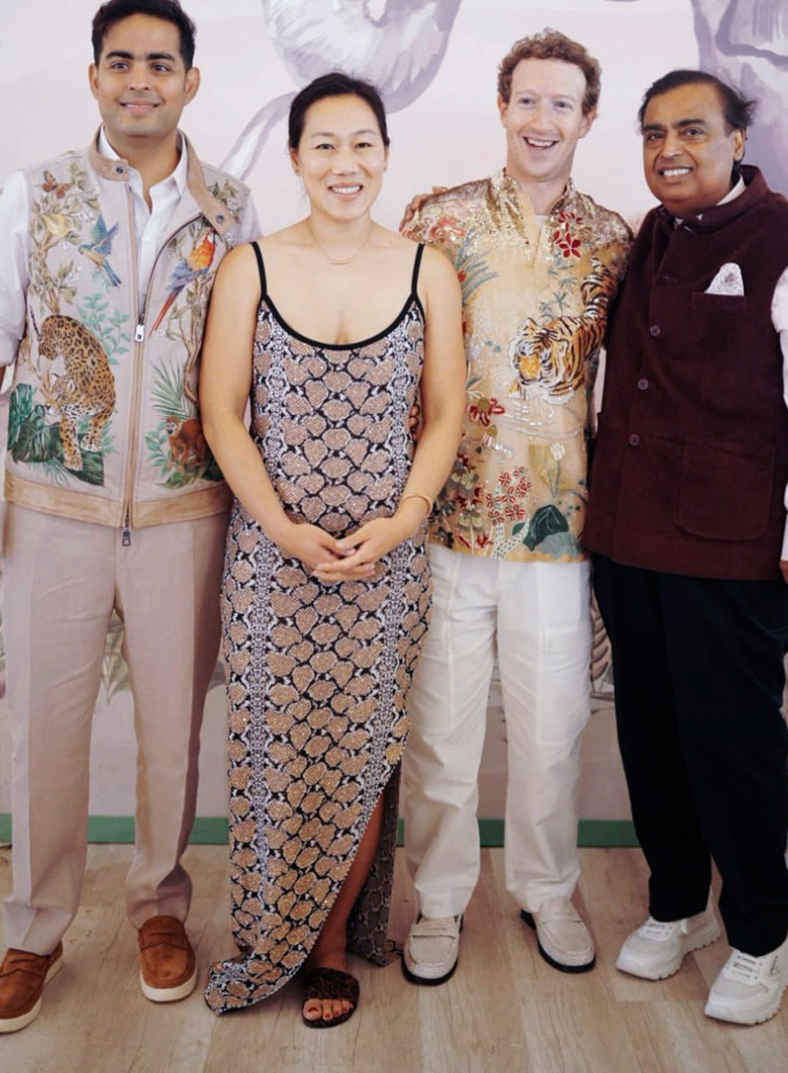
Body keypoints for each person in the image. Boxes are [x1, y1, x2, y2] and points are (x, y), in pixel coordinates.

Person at [0, 0, 258, 1033]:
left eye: (159, 62)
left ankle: (161, 904)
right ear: (95, 76)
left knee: (174, 728)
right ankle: (34, 926)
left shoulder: (233, 205)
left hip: (185, 510)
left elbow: (251, 362)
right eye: (120, 61)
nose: (140, 79)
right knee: (44, 725)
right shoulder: (32, 194)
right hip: (52, 504)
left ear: (190, 80)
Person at [583, 70, 788, 1025]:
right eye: (654, 132)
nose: (670, 149)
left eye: (693, 130)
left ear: (738, 139)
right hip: (631, 534)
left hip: (735, 544)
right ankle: (675, 904)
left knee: (732, 741)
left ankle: (759, 934)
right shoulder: (651, 235)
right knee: (650, 729)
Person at [198, 72, 464, 1027]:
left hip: (385, 560)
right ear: (296, 156)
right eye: (324, 145)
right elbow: (224, 416)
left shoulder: (427, 267)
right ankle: (272, 928)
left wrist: (401, 521)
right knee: (278, 750)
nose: (345, 165)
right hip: (274, 561)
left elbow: (445, 416)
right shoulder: (251, 267)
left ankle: (327, 946)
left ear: (386, 154)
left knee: (361, 751)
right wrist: (282, 529)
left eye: (363, 145)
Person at [398, 30, 632, 985]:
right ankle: (440, 901)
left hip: (561, 527)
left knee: (551, 730)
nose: (543, 120)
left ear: (587, 118)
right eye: (526, 101)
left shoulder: (618, 239)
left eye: (561, 104)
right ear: (502, 107)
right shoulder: (437, 220)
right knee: (443, 730)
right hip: (448, 519)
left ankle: (547, 890)